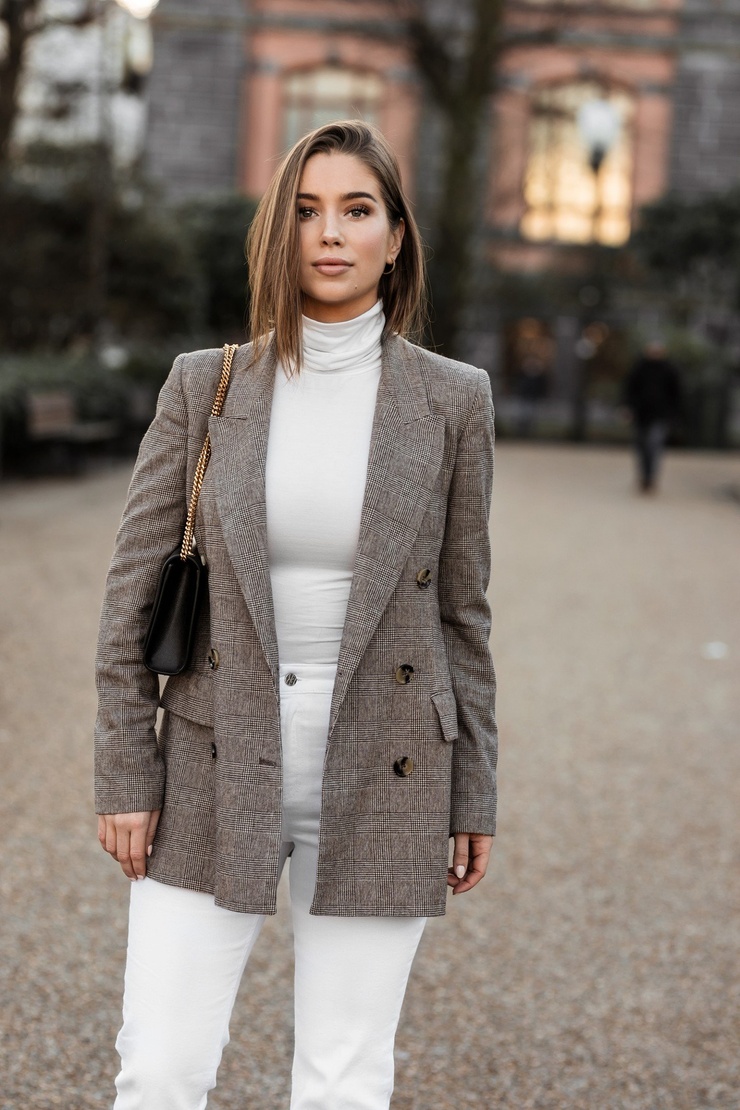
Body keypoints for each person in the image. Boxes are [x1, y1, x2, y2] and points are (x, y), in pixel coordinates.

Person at [94, 120, 498, 1110]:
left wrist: (474, 791)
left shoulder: (453, 400)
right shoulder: (207, 383)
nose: (330, 233)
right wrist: (124, 767)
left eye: (357, 210)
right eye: (306, 211)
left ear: (394, 238)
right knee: (159, 1066)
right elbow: (131, 593)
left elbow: (462, 612)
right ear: (278, 232)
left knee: (343, 1078)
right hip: (210, 754)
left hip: (390, 761)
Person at [622, 340, 682, 492]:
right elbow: (629, 389)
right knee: (641, 447)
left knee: (654, 445)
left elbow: (676, 395)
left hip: (660, 415)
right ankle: (644, 476)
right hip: (641, 414)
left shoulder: (669, 369)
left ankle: (651, 478)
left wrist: (674, 414)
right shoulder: (639, 368)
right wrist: (628, 408)